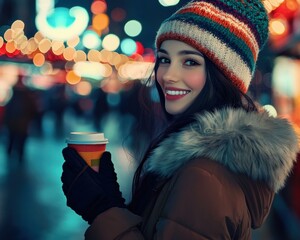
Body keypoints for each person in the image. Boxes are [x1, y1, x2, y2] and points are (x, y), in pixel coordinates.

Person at [61, 0, 300, 239]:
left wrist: (102, 211)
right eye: (165, 59)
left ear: (225, 76)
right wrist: (114, 205)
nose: (168, 75)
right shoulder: (207, 162)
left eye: (190, 62)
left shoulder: (205, 176)